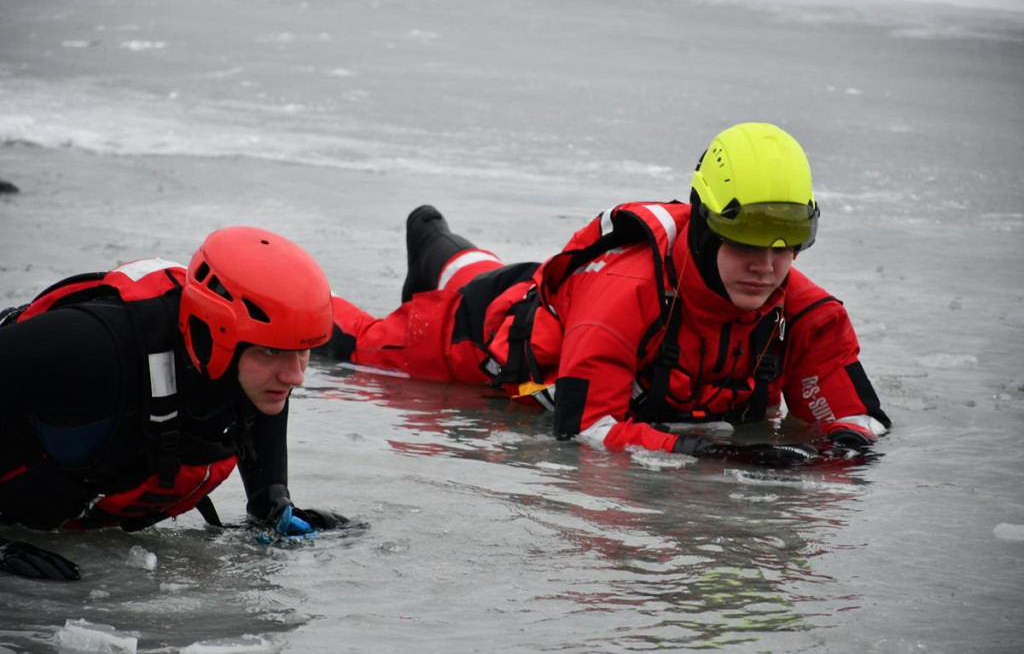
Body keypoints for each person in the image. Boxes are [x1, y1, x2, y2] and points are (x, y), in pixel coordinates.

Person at [318, 122, 890, 466]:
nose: (766, 268)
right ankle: (317, 284)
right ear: (707, 228)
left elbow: (860, 421)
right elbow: (585, 428)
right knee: (355, 342)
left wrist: (832, 450)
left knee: (483, 275)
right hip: (486, 335)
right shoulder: (628, 291)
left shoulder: (803, 310)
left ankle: (436, 246)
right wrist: (709, 456)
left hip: (540, 293)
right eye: (746, 246)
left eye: (784, 248)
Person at [0, 226, 351, 581]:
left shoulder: (255, 380)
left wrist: (272, 504)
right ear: (215, 335)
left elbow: (262, 401)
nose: (295, 377)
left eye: (301, 352)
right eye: (272, 351)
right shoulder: (90, 349)